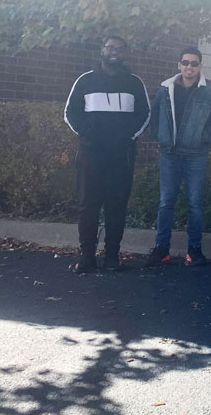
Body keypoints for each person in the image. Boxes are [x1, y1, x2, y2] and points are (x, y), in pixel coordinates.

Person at [64, 36, 150, 273]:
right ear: (102, 50)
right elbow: (71, 114)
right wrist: (89, 136)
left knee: (117, 206)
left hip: (121, 156)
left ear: (125, 53)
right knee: (87, 206)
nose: (115, 52)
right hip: (91, 154)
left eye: (120, 49)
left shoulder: (134, 83)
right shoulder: (85, 81)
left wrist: (125, 137)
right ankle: (87, 258)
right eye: (110, 47)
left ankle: (112, 256)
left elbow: (144, 114)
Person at [146, 46, 211, 267]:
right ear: (179, 65)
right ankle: (161, 249)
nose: (189, 67)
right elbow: (153, 116)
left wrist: (206, 137)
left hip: (196, 155)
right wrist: (161, 136)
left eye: (194, 63)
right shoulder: (165, 89)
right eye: (185, 62)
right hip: (170, 154)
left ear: (200, 66)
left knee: (195, 204)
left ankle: (194, 251)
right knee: (166, 202)